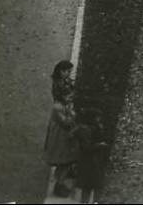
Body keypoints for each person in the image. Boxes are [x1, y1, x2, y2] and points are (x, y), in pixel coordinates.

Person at [44, 61, 79, 197]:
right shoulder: (59, 106)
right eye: (66, 71)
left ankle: (62, 179)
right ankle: (59, 184)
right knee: (63, 158)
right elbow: (66, 122)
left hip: (64, 131)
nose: (68, 74)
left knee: (66, 158)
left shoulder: (65, 85)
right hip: (61, 133)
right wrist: (74, 118)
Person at [73, 107, 108, 203]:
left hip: (92, 160)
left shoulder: (93, 128)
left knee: (91, 185)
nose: (99, 120)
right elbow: (86, 147)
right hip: (89, 161)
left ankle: (90, 202)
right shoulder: (85, 130)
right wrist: (99, 145)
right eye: (97, 118)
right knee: (89, 185)